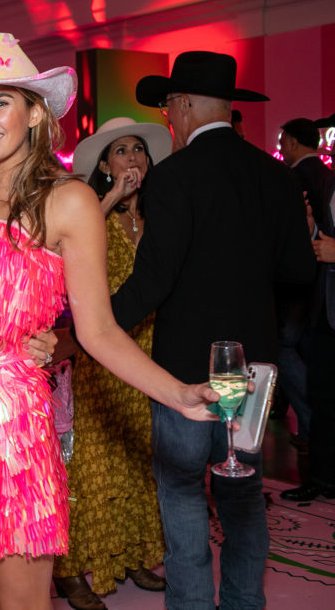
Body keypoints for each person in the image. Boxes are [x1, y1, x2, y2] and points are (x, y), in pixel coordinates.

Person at [0, 33, 221, 610]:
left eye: (0, 101)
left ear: (34, 112)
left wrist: (178, 394)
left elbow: (98, 331)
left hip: (6, 416)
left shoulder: (65, 202)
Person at [110, 50, 315, 609]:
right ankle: (245, 602)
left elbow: (152, 282)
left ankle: (193, 604)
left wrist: (90, 326)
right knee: (242, 494)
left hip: (183, 367)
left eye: (170, 106)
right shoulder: (275, 175)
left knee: (181, 491)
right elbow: (299, 272)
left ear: (181, 105)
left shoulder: (173, 176)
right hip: (253, 368)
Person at [52, 117, 173, 610]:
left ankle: (133, 553)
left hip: (150, 353)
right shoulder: (87, 212)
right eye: (121, 152)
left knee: (137, 461)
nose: (132, 159)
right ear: (105, 164)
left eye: (138, 151)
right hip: (100, 355)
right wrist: (104, 200)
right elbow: (64, 255)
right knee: (88, 467)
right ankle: (71, 570)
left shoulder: (161, 215)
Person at [275, 117, 332, 447]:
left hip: (300, 290)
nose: (281, 147)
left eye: (283, 141)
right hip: (323, 292)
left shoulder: (292, 177)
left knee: (284, 351)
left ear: (293, 142)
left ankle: (312, 426)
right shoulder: (326, 175)